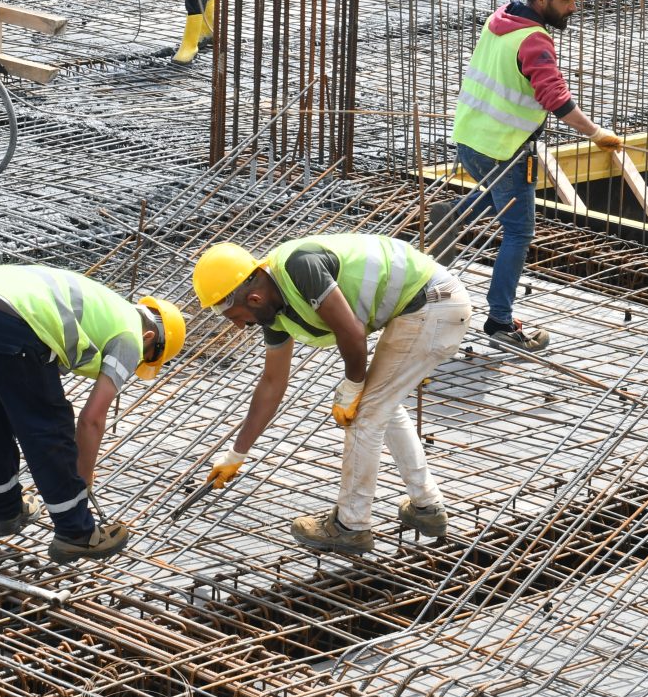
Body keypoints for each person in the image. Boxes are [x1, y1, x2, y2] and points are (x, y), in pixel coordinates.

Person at [192, 233, 469, 556]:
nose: (241, 327)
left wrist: (352, 386)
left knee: (365, 415)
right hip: (425, 308)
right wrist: (236, 454)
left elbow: (351, 333)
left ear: (253, 299)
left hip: (433, 305)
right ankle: (427, 507)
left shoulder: (299, 267)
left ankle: (351, 526)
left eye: (237, 318)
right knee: (380, 406)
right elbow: (272, 383)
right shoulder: (274, 311)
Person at [448, 0, 625, 349]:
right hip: (504, 149)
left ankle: (456, 215)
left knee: (498, 200)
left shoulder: (501, 19)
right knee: (519, 230)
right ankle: (500, 322)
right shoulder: (534, 40)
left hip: (470, 139)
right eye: (566, 0)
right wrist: (596, 134)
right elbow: (556, 99)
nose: (573, 7)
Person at [0, 264, 185, 562]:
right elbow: (92, 420)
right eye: (150, 357)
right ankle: (77, 533)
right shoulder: (131, 338)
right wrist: (83, 481)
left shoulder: (110, 308)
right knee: (50, 426)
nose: (139, 362)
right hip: (16, 320)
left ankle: (5, 509)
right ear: (151, 336)